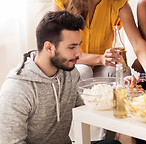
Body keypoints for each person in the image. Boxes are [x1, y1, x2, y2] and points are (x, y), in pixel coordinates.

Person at [0, 10, 121, 144]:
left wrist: (122, 88)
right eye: (71, 47)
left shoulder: (69, 72)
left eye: (78, 45)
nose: (79, 53)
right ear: (49, 47)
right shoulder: (17, 89)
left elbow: (90, 105)